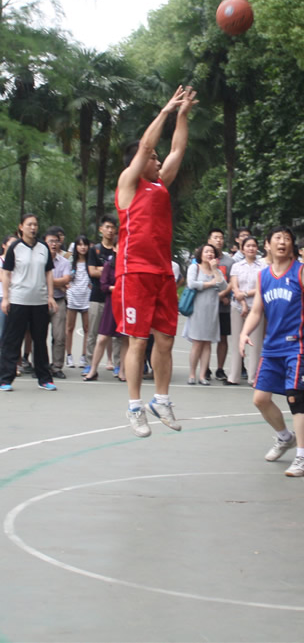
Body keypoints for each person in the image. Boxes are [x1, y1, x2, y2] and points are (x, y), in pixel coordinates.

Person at [112, 84, 198, 437]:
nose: (158, 160)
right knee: (137, 341)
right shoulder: (128, 184)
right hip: (134, 272)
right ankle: (134, 406)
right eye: (152, 158)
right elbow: (148, 146)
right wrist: (165, 110)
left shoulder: (160, 184)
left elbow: (178, 148)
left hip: (162, 273)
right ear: (137, 161)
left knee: (164, 341)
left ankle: (161, 399)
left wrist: (183, 115)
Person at [239, 225, 304, 477]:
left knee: (294, 398)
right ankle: (284, 437)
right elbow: (257, 310)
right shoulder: (263, 276)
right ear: (267, 245)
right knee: (260, 399)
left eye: (287, 238)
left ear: (292, 245)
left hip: (298, 345)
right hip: (272, 346)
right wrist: (244, 332)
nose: (282, 242)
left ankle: (303, 457)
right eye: (277, 238)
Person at [0, 214, 57, 392]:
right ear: (21, 227)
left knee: (40, 341)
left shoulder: (43, 247)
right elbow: (6, 273)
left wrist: (50, 296)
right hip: (18, 300)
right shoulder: (15, 247)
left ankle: (44, 379)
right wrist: (6, 298)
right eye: (29, 224)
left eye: (35, 225)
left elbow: (48, 272)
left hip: (39, 301)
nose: (33, 228)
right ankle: (5, 379)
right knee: (12, 340)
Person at [183, 244, 227, 384]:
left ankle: (202, 375)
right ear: (201, 254)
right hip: (197, 309)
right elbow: (191, 284)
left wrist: (214, 270)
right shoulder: (194, 267)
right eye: (206, 251)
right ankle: (192, 374)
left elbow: (224, 286)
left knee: (207, 344)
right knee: (197, 343)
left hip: (212, 310)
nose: (209, 254)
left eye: (212, 252)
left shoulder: (216, 270)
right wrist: (209, 284)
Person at [82, 251, 129, 382]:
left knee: (124, 339)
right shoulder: (109, 265)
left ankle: (122, 370)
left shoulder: (130, 264)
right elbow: (104, 286)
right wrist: (116, 288)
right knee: (102, 338)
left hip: (126, 304)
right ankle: (93, 370)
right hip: (111, 304)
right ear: (114, 248)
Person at [227, 236, 263, 386]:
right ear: (242, 249)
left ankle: (253, 377)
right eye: (248, 246)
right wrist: (243, 303)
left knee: (256, 343)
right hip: (237, 307)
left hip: (256, 307)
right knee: (236, 341)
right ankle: (233, 377)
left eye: (253, 246)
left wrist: (246, 294)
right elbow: (234, 286)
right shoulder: (236, 266)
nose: (251, 248)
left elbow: (261, 287)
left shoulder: (263, 266)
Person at [85, 216, 117, 372]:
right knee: (93, 332)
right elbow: (91, 271)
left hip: (115, 298)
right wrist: (109, 271)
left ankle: (118, 365)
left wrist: (102, 270)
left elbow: (120, 273)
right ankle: (89, 364)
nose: (110, 230)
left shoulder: (118, 248)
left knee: (117, 335)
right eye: (107, 227)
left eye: (112, 227)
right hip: (97, 296)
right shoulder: (95, 250)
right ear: (101, 229)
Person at [206, 228, 234, 381]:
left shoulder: (229, 262)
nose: (219, 240)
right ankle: (205, 368)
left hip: (224, 307)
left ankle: (220, 369)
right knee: (205, 338)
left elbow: (232, 281)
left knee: (223, 338)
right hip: (207, 306)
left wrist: (223, 295)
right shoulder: (203, 259)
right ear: (209, 240)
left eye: (221, 237)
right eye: (215, 237)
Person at [45, 229, 71, 379]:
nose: (53, 244)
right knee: (39, 335)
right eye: (50, 241)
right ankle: (40, 365)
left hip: (59, 301)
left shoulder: (65, 262)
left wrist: (48, 281)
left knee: (59, 336)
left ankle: (57, 366)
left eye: (56, 241)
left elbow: (66, 279)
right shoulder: (40, 261)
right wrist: (57, 283)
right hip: (41, 301)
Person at [65, 235, 91, 368]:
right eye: (80, 245)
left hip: (86, 297)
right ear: (76, 247)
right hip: (73, 297)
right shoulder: (70, 262)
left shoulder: (91, 262)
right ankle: (69, 355)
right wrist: (67, 286)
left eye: (85, 244)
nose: (83, 247)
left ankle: (84, 356)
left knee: (87, 328)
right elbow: (64, 276)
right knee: (69, 328)